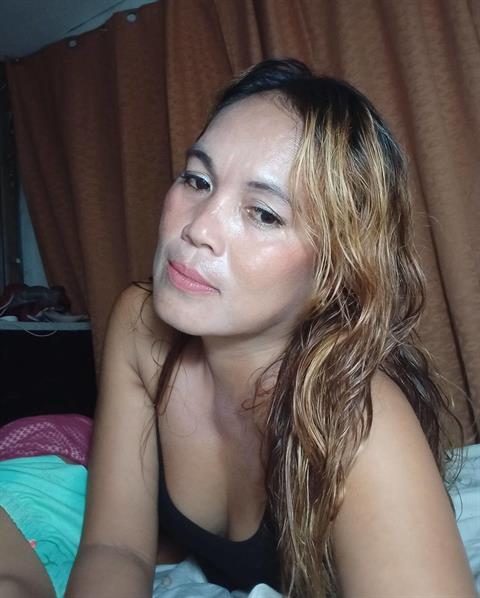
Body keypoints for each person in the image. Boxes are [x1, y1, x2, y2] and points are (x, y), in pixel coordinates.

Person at [0, 58, 476, 598]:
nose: (197, 227)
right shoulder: (140, 322)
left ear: (334, 270)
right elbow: (116, 548)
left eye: (264, 213)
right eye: (197, 179)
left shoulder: (360, 421)